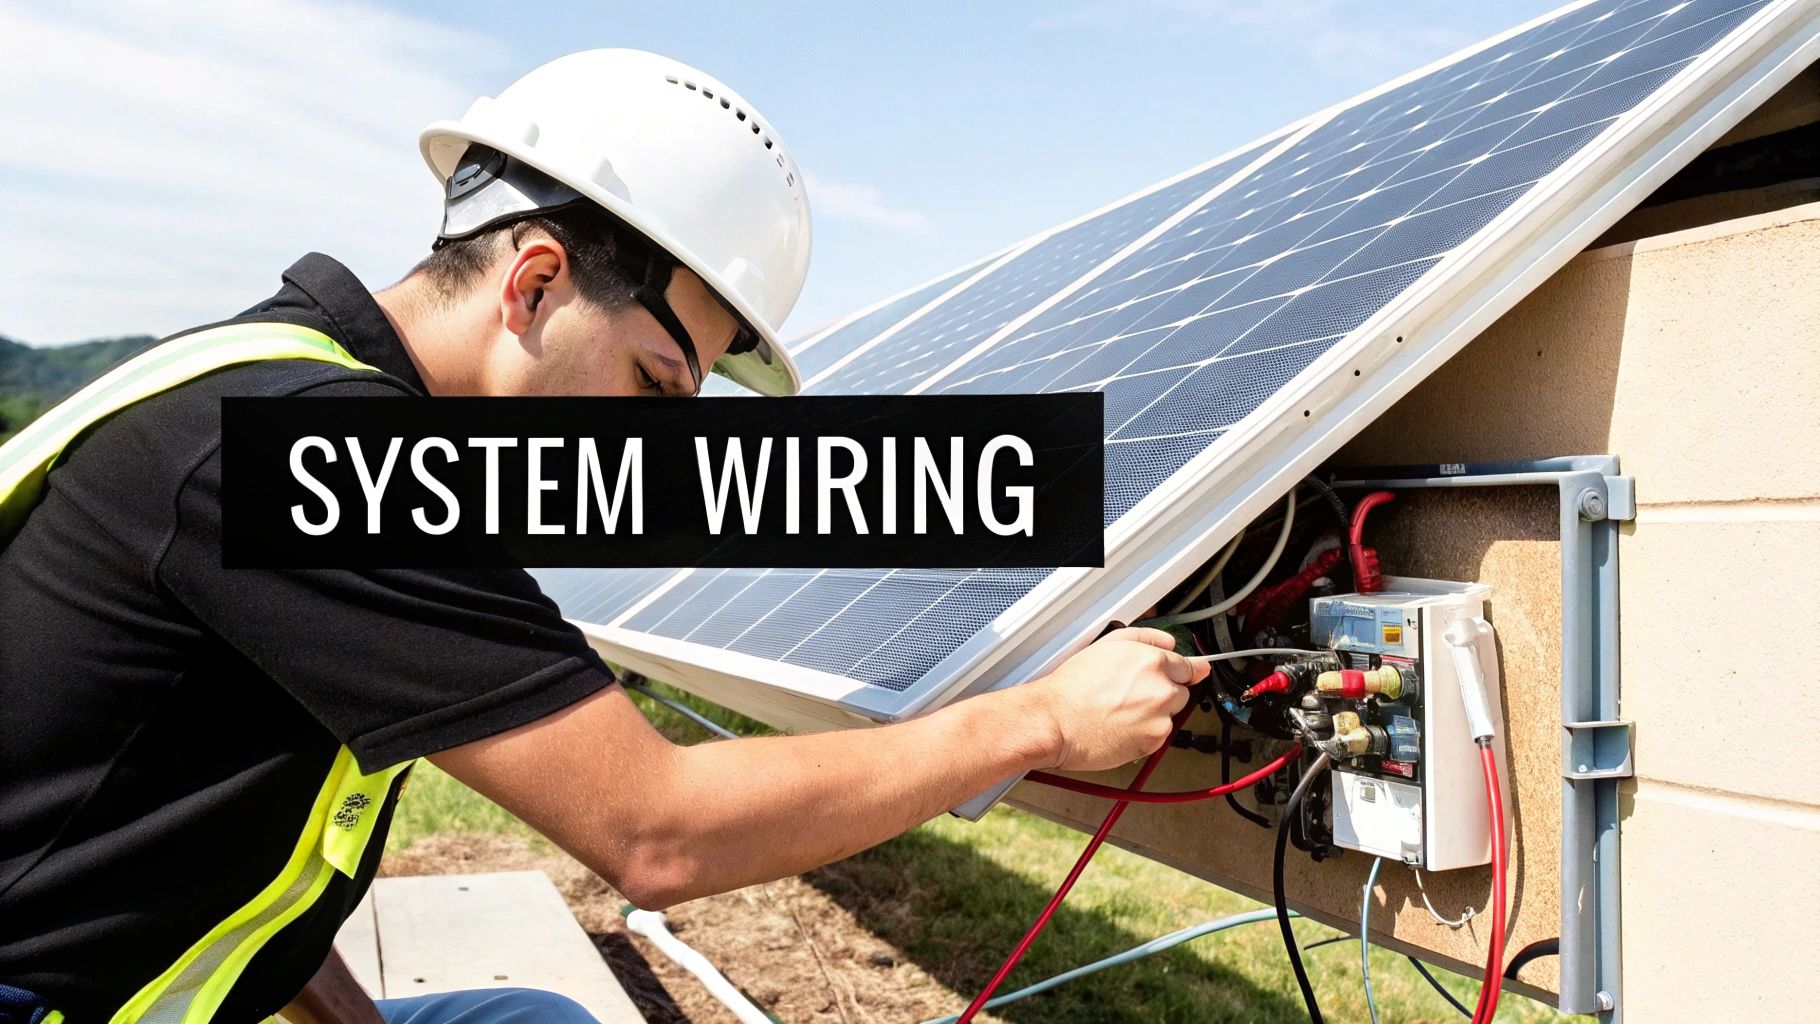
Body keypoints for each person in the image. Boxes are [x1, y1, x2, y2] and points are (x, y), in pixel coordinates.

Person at [0, 50, 1207, 1024]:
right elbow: (657, 829)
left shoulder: (279, 403)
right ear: (531, 283)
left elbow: (205, 841)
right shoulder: (300, 452)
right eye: (652, 386)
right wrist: (1041, 717)